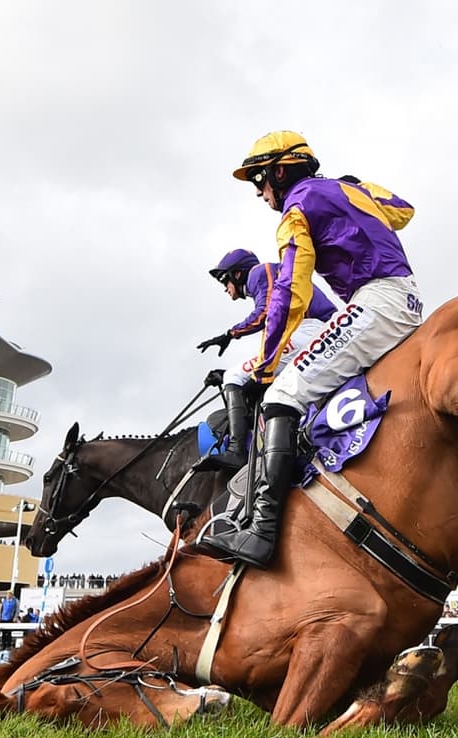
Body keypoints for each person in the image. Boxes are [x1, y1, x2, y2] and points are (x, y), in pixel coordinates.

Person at [199, 130, 421, 569]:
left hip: (375, 304)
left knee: (281, 394)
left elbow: (291, 292)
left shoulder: (295, 210)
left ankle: (261, 532)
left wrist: (265, 363)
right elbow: (403, 210)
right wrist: (357, 188)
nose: (259, 193)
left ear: (279, 172)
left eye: (259, 181)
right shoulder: (344, 190)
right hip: (407, 300)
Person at [194, 248, 337, 471]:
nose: (225, 288)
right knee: (244, 379)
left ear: (237, 274)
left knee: (235, 376)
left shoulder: (259, 273)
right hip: (313, 332)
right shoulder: (264, 279)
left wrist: (230, 334)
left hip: (310, 329)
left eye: (225, 280)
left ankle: (237, 451)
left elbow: (266, 312)